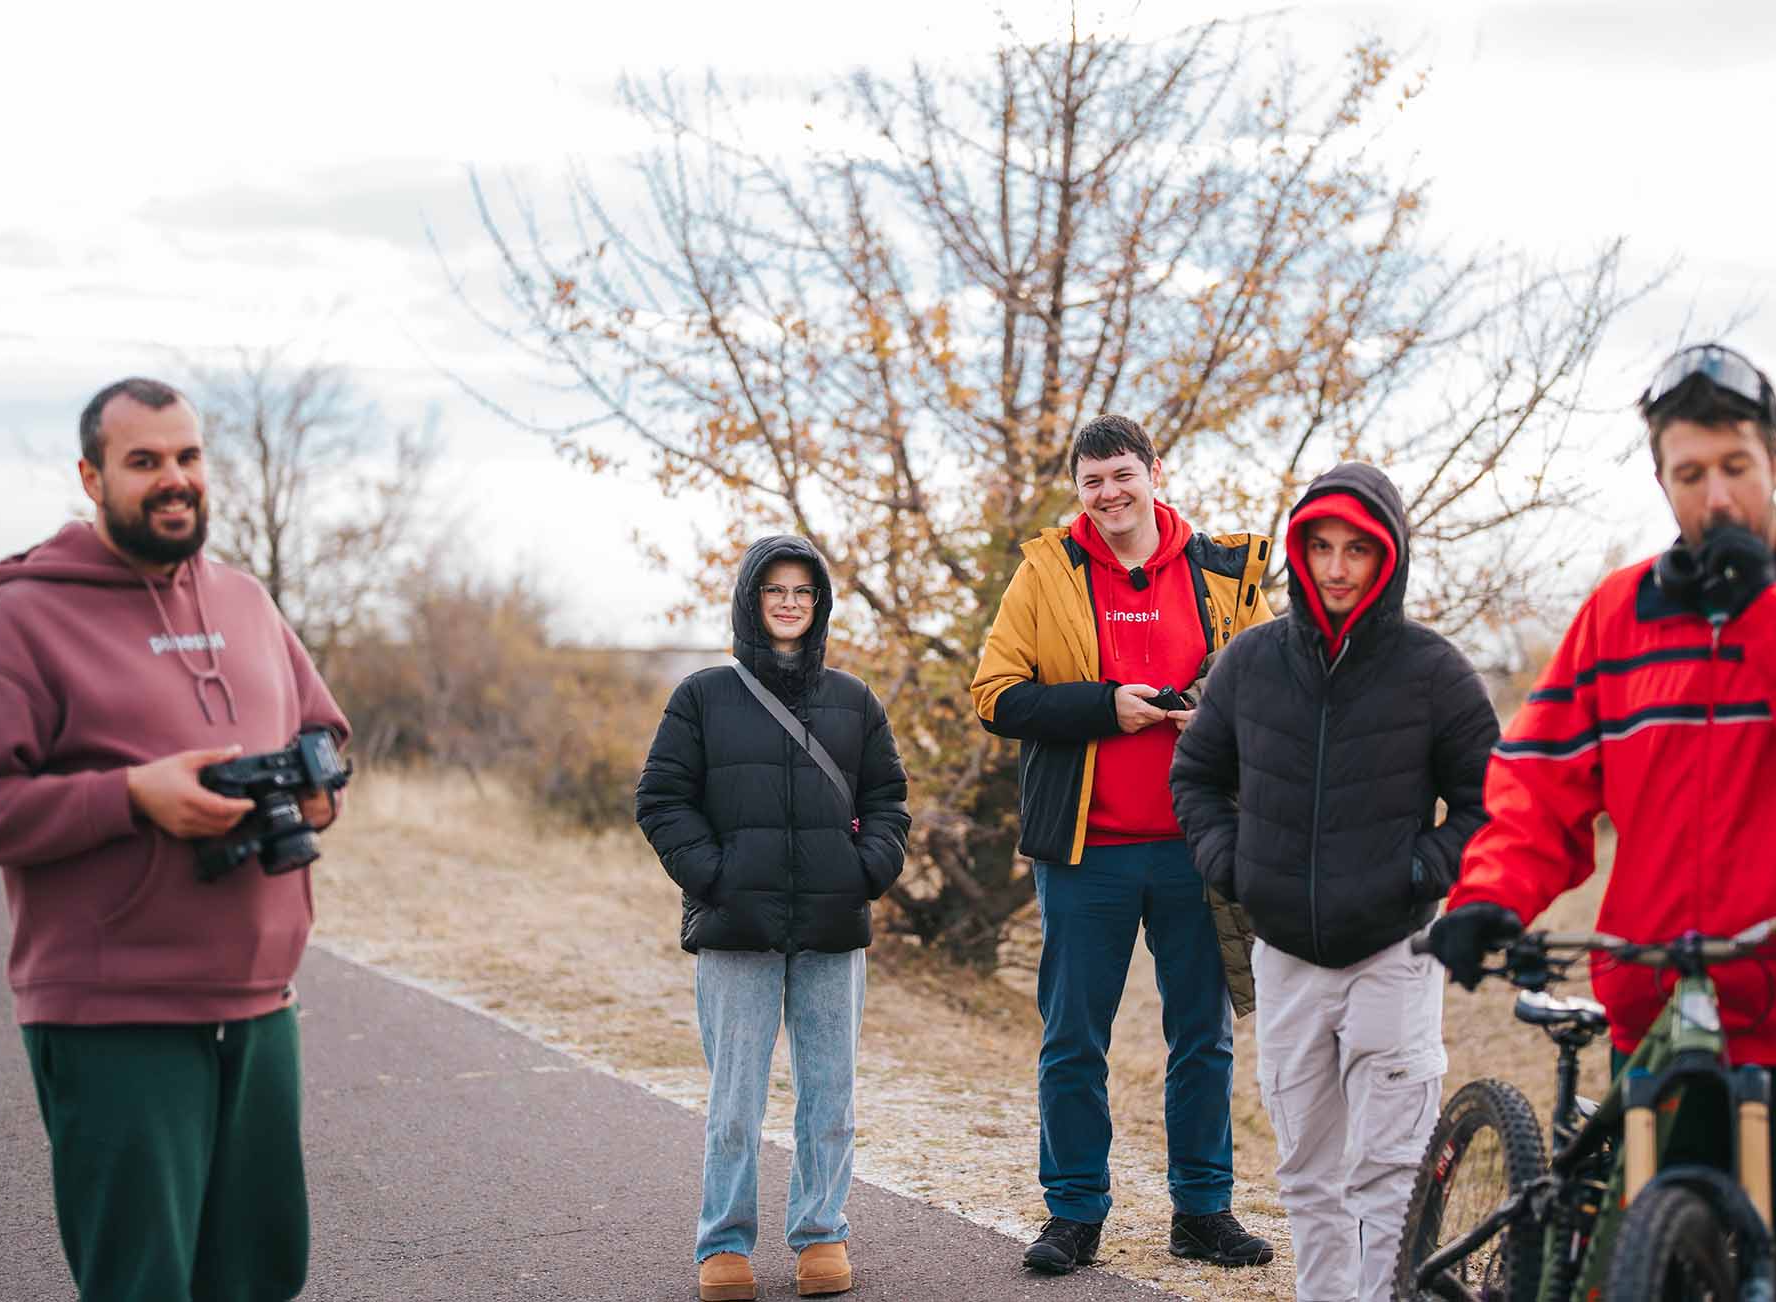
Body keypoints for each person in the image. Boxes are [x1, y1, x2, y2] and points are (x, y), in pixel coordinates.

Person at [1424, 344, 1776, 1302]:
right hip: (1659, 1003)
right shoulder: (1616, 615)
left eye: (1734, 467)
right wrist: (1488, 896)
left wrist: (1767, 611)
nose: (1714, 497)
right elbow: (1540, 781)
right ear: (1662, 482)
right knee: (1651, 1268)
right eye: (1689, 474)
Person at [0, 377, 348, 1302]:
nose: (173, 479)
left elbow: (321, 731)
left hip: (260, 1004)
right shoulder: (23, 620)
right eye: (144, 461)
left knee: (262, 1278)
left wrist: (316, 797)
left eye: (187, 457)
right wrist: (130, 797)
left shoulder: (246, 601)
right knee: (142, 1284)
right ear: (92, 476)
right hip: (114, 1016)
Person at [1170, 462, 1496, 1302]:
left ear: (1389, 556)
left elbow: (1490, 800)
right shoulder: (1249, 662)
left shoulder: (1434, 671)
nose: (1338, 567)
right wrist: (1235, 866)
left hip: (1393, 955)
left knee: (1389, 1176)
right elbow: (1195, 775)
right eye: (1321, 547)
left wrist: (1416, 873)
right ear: (1299, 551)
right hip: (1284, 956)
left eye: (1358, 549)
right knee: (1306, 1172)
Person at [970, 414, 1277, 1275]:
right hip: (1085, 854)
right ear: (1079, 490)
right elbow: (995, 696)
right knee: (1073, 1040)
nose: (1108, 494)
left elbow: (1271, 687)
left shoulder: (1223, 573)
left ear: (1154, 472)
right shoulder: (1045, 572)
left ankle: (1202, 1212)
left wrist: (1210, 709)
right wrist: (1105, 705)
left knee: (1202, 1039)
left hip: (1196, 849)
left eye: (1121, 476)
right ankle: (1073, 1213)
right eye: (1092, 481)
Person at [636, 534, 911, 1302]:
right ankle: (724, 1247)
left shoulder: (854, 700)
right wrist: (716, 878)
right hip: (737, 929)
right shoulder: (702, 696)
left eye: (802, 591)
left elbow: (888, 799)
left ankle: (821, 1235)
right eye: (774, 589)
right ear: (750, 600)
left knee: (830, 1094)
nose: (789, 602)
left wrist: (866, 870)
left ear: (818, 603)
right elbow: (661, 800)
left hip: (831, 927)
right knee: (735, 1101)